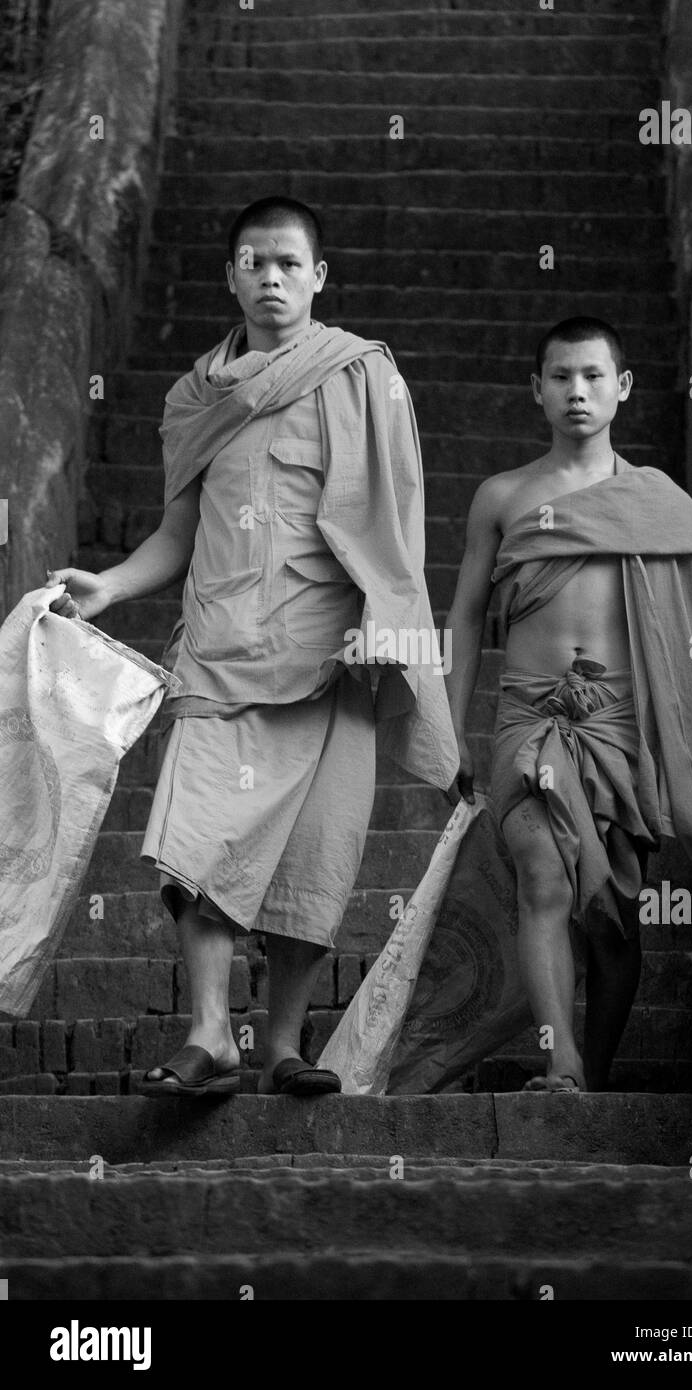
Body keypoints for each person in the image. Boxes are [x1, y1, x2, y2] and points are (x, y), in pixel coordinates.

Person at [46, 195, 458, 1097]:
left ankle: (281, 1046)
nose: (270, 278)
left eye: (287, 263)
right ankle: (209, 1034)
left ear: (319, 277)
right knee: (192, 839)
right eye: (252, 262)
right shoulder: (197, 399)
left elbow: (397, 520)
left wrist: (381, 625)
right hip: (222, 649)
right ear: (231, 275)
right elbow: (180, 528)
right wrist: (110, 587)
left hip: (333, 658)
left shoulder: (361, 376)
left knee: (317, 856)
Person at [444, 316, 692, 1093]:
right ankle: (563, 1064)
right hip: (527, 718)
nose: (577, 392)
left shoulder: (656, 502)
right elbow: (467, 616)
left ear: (623, 388)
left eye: (593, 376)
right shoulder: (501, 497)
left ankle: (596, 1074)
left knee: (612, 913)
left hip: (615, 724)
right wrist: (450, 727)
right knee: (544, 874)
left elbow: (691, 628)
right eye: (561, 377)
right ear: (536, 389)